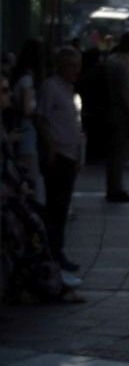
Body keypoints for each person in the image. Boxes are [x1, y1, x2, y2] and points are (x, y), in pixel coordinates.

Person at [1, 73, 84, 304]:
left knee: (36, 224)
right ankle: (44, 284)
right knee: (32, 227)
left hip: (13, 194)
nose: (9, 95)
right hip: (8, 199)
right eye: (5, 91)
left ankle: (41, 282)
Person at [35, 47, 85, 279]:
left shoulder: (68, 89)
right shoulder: (51, 87)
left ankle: (57, 250)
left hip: (69, 154)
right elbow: (42, 118)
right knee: (56, 207)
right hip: (59, 155)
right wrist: (51, 147)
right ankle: (53, 252)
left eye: (77, 66)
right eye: (71, 66)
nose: (75, 71)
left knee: (62, 207)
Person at [104, 31, 129, 202]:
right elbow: (127, 95)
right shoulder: (122, 66)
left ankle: (113, 187)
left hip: (111, 111)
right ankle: (115, 188)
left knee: (114, 153)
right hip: (121, 114)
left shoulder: (112, 61)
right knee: (118, 153)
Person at [9, 38, 46, 205]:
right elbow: (27, 109)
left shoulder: (18, 76)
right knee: (30, 171)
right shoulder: (28, 80)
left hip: (21, 129)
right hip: (27, 130)